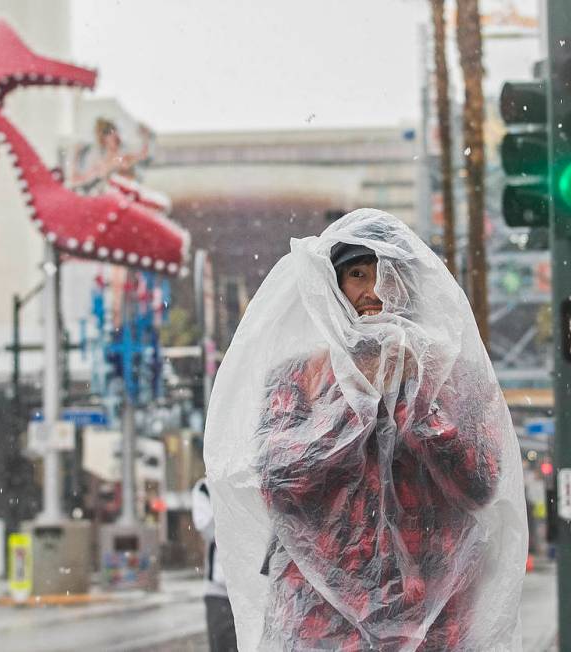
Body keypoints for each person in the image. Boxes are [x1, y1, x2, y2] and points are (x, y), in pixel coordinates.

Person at [205, 209, 527, 651]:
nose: (373, 291)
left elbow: (481, 485)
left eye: (386, 273)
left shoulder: (455, 378)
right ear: (335, 287)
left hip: (430, 624)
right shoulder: (300, 378)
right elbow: (279, 483)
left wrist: (420, 404)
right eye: (357, 273)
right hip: (322, 623)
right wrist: (351, 406)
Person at [191, 476, 238, 652]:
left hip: (254, 588)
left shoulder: (251, 479)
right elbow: (209, 529)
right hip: (220, 592)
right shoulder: (205, 488)